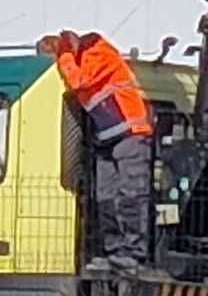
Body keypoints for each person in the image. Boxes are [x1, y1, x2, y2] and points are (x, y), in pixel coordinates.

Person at [36, 30, 155, 268]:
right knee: (106, 196)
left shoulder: (98, 50)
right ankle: (114, 250)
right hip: (109, 137)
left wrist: (65, 55)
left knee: (131, 195)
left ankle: (133, 251)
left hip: (131, 132)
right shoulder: (80, 59)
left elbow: (80, 80)